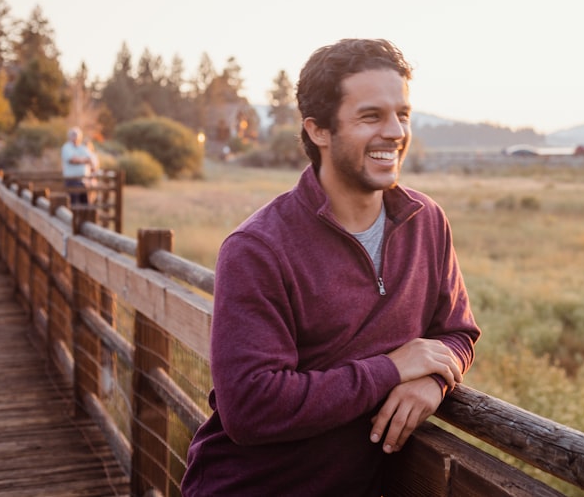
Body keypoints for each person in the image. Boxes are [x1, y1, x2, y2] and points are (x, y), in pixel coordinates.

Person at [181, 39, 480, 496]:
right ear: (319, 130)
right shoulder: (257, 248)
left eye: (402, 113)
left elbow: (457, 332)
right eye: (370, 116)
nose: (395, 131)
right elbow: (251, 407)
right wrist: (392, 369)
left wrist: (436, 380)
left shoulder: (427, 222)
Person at [61, 126, 98, 206]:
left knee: (86, 204)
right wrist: (84, 160)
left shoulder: (83, 148)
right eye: (73, 135)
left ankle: (85, 218)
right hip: (71, 181)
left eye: (77, 135)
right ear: (69, 136)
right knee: (72, 203)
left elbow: (91, 160)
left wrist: (79, 159)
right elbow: (72, 160)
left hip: (83, 181)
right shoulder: (66, 147)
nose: (75, 137)